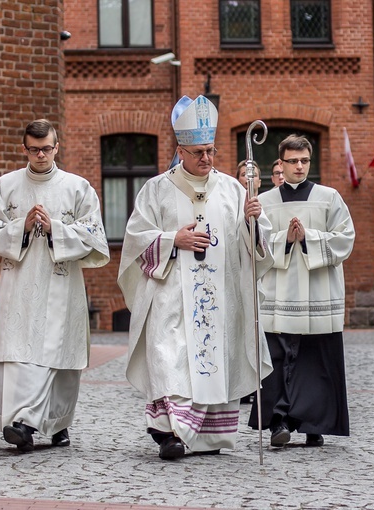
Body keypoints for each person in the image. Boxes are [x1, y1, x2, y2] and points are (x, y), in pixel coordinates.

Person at [118, 95, 274, 460]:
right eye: (198, 151)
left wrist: (253, 220)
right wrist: (175, 239)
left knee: (210, 360)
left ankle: (202, 437)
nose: (206, 158)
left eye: (211, 150)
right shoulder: (156, 189)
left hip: (219, 297)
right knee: (168, 358)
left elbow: (255, 246)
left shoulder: (235, 190)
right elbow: (136, 238)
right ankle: (171, 434)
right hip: (170, 294)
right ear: (180, 150)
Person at [0, 119, 109, 452]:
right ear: (25, 149)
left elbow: (94, 236)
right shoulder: (7, 185)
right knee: (20, 355)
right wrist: (21, 226)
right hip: (19, 283)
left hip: (60, 283)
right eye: (33, 150)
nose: (40, 155)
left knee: (55, 355)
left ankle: (57, 423)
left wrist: (55, 229)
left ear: (56, 147)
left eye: (46, 148)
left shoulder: (78, 187)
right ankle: (21, 422)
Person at [249, 134, 355, 447]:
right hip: (279, 295)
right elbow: (255, 247)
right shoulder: (265, 202)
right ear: (280, 163)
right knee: (279, 359)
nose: (299, 166)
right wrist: (284, 239)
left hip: (318, 293)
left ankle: (314, 423)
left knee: (316, 359)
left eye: (304, 161)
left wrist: (308, 238)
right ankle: (278, 422)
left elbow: (346, 238)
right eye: (293, 161)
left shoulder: (329, 197)